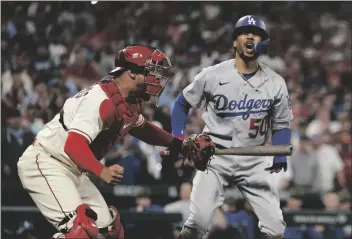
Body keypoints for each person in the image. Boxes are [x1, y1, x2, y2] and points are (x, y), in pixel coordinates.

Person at [17, 44, 186, 239]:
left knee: (109, 231)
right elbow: (73, 144)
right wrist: (101, 170)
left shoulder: (127, 101)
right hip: (47, 161)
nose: (156, 79)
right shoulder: (100, 100)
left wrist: (179, 145)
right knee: (82, 231)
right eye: (150, 72)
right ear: (131, 73)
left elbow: (142, 128)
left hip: (74, 170)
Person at [171, 15, 293, 239]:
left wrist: (280, 153)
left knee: (275, 228)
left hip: (254, 159)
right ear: (234, 41)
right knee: (196, 224)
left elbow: (282, 123)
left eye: (255, 34)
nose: (248, 36)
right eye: (243, 33)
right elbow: (181, 104)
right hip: (214, 156)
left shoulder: (275, 82)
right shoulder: (212, 75)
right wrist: (178, 137)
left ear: (263, 43)